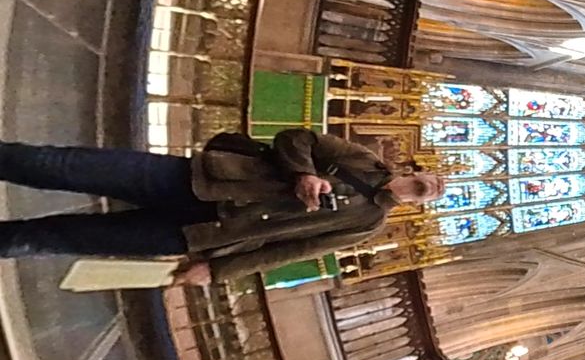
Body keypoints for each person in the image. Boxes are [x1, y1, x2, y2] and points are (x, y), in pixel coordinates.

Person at [0, 129, 444, 285]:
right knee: (66, 166)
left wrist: (215, 271)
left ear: (416, 205)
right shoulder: (363, 161)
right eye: (421, 180)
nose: (416, 189)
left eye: (423, 194)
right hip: (198, 180)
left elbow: (288, 253)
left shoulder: (366, 224)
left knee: (62, 238)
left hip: (205, 235)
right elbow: (297, 138)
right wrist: (303, 172)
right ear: (411, 170)